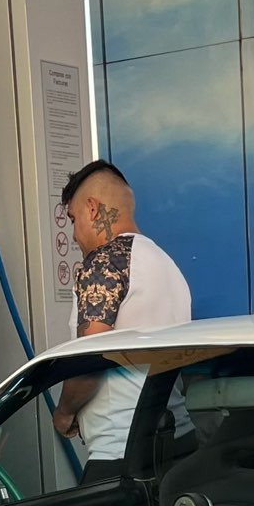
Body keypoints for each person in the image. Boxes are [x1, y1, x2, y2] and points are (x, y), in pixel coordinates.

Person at [51, 158, 192, 478]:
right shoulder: (166, 265)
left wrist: (64, 412)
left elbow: (91, 361)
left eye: (73, 219)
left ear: (91, 209)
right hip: (179, 443)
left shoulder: (104, 262)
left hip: (122, 454)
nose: (73, 235)